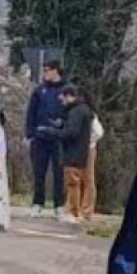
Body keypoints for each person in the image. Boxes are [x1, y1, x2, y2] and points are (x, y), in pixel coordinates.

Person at [39, 87, 97, 225]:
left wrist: (52, 131)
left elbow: (71, 133)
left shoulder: (76, 111)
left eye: (63, 99)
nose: (62, 102)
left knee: (72, 182)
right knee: (80, 181)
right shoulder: (85, 110)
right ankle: (79, 211)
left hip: (74, 152)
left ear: (69, 96)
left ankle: (74, 212)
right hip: (81, 151)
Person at [25, 60, 69, 218]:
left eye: (47, 70)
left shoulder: (66, 89)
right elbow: (31, 113)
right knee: (39, 172)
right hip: (40, 137)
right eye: (43, 70)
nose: (45, 73)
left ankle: (59, 205)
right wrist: (29, 134)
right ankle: (38, 203)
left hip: (58, 138)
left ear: (56, 71)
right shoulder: (39, 90)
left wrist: (63, 125)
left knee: (59, 173)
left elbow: (71, 111)